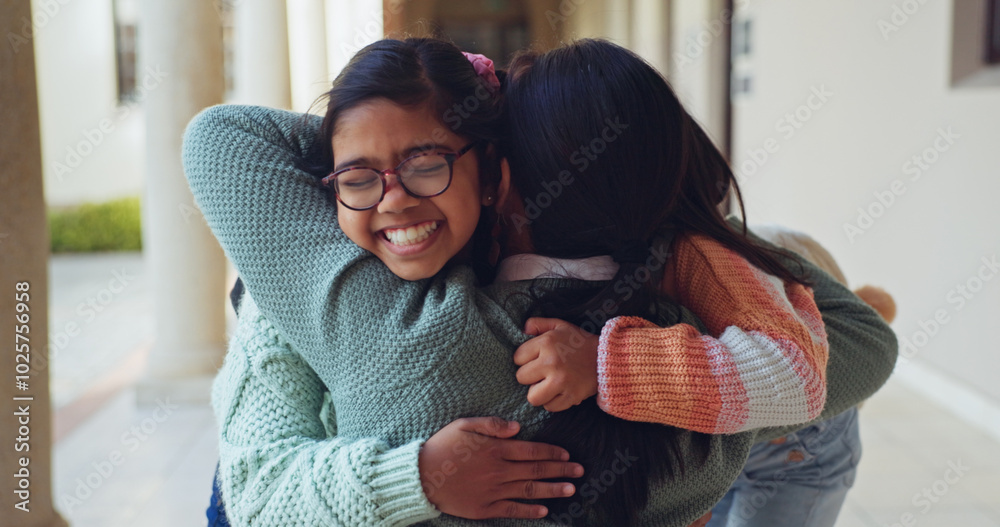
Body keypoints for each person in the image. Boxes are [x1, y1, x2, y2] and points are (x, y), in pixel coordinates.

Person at [184, 38, 897, 526]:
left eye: (429, 161)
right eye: (362, 175)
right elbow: (851, 347)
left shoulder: (351, 301)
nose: (396, 198)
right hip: (740, 404)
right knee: (787, 270)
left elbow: (223, 138)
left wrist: (359, 150)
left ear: (498, 175)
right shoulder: (677, 337)